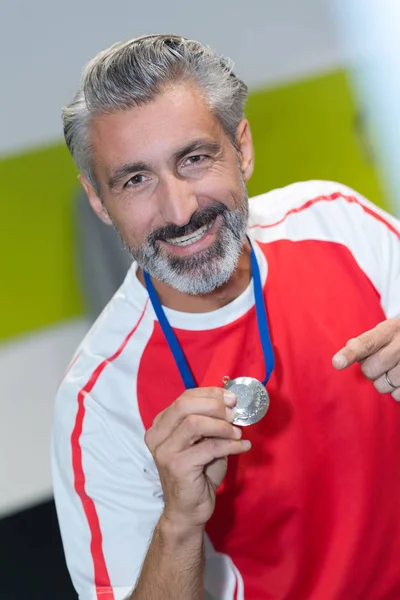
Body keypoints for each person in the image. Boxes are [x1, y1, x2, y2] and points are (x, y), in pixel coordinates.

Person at [52, 34, 400, 600]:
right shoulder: (98, 403)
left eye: (194, 158)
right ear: (98, 200)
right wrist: (179, 526)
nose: (180, 210)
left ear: (242, 148)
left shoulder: (341, 226)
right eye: (135, 179)